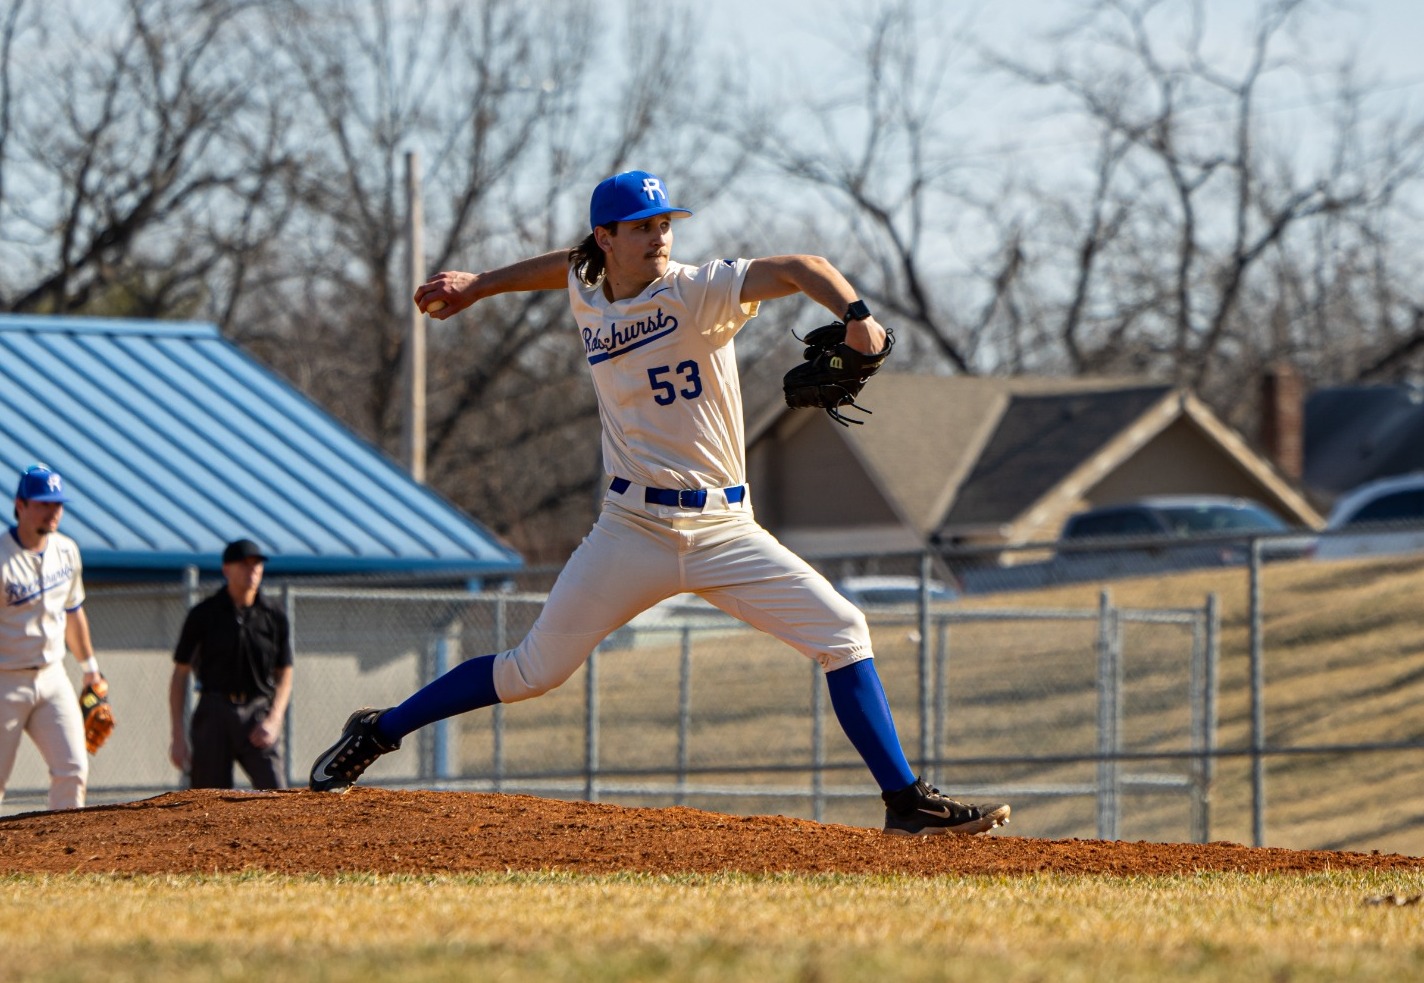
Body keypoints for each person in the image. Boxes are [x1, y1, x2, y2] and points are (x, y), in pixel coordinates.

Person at [309, 169, 1011, 836]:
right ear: (606, 240)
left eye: (665, 222)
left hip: (724, 528)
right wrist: (479, 285)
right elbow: (564, 263)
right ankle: (380, 729)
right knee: (531, 671)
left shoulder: (699, 291)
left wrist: (858, 317)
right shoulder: (589, 285)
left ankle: (905, 802)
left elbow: (802, 266)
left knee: (843, 632)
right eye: (641, 226)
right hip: (631, 529)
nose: (659, 235)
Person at [0, 464, 102, 811]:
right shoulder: (2, 558)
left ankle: (64, 860)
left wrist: (90, 668)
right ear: (21, 505)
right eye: (43, 503)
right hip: (5, 680)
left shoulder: (67, 551)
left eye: (57, 503)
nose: (53, 510)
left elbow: (73, 612)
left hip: (52, 675)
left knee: (73, 769)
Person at [169, 538, 294, 790]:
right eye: (244, 564)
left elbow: (285, 672)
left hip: (257, 711)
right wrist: (178, 736)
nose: (253, 570)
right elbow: (180, 673)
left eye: (257, 564)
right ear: (226, 569)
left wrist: (274, 718)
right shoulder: (204, 614)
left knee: (278, 792)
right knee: (208, 800)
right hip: (215, 711)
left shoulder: (273, 615)